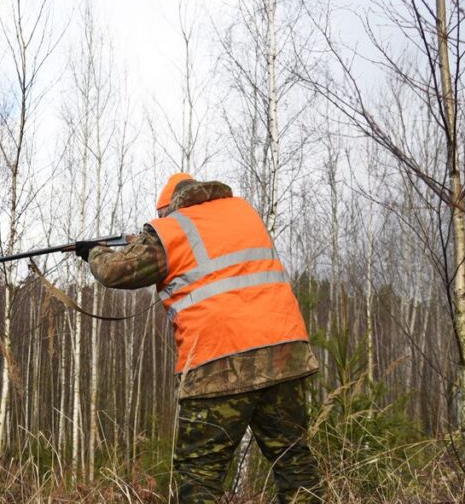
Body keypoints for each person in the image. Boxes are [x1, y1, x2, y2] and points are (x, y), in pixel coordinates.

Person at [80, 173, 322, 504]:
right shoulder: (243, 212)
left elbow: (114, 272)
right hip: (285, 354)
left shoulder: (172, 228)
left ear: (168, 207)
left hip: (219, 362)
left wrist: (95, 252)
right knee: (295, 462)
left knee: (200, 476)